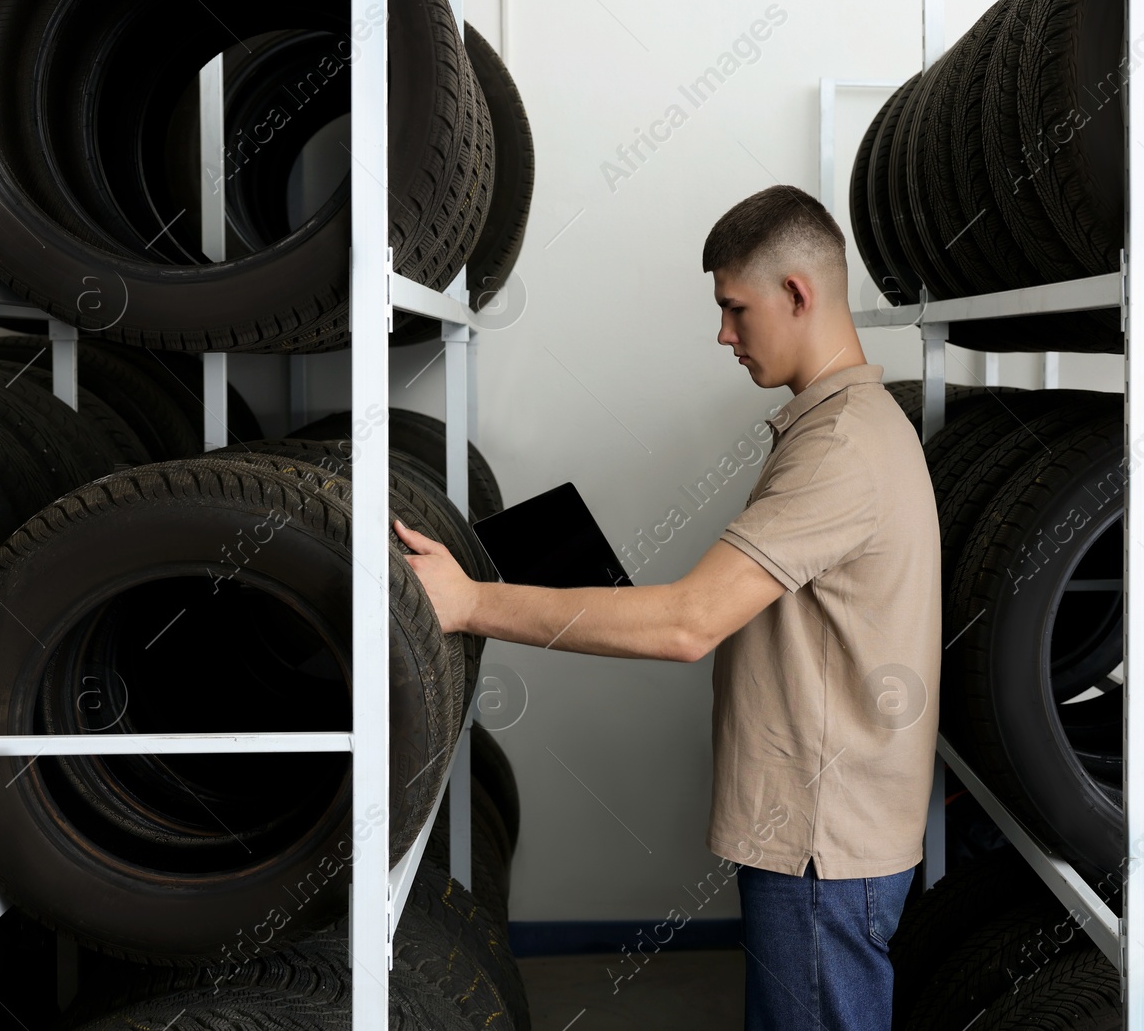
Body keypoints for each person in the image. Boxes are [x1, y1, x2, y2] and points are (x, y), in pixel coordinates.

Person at [393, 182, 942, 1031]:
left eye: (734, 308)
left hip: (820, 849)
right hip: (821, 839)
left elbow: (690, 623)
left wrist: (470, 603)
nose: (723, 334)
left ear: (797, 293)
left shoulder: (841, 447)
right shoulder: (835, 427)